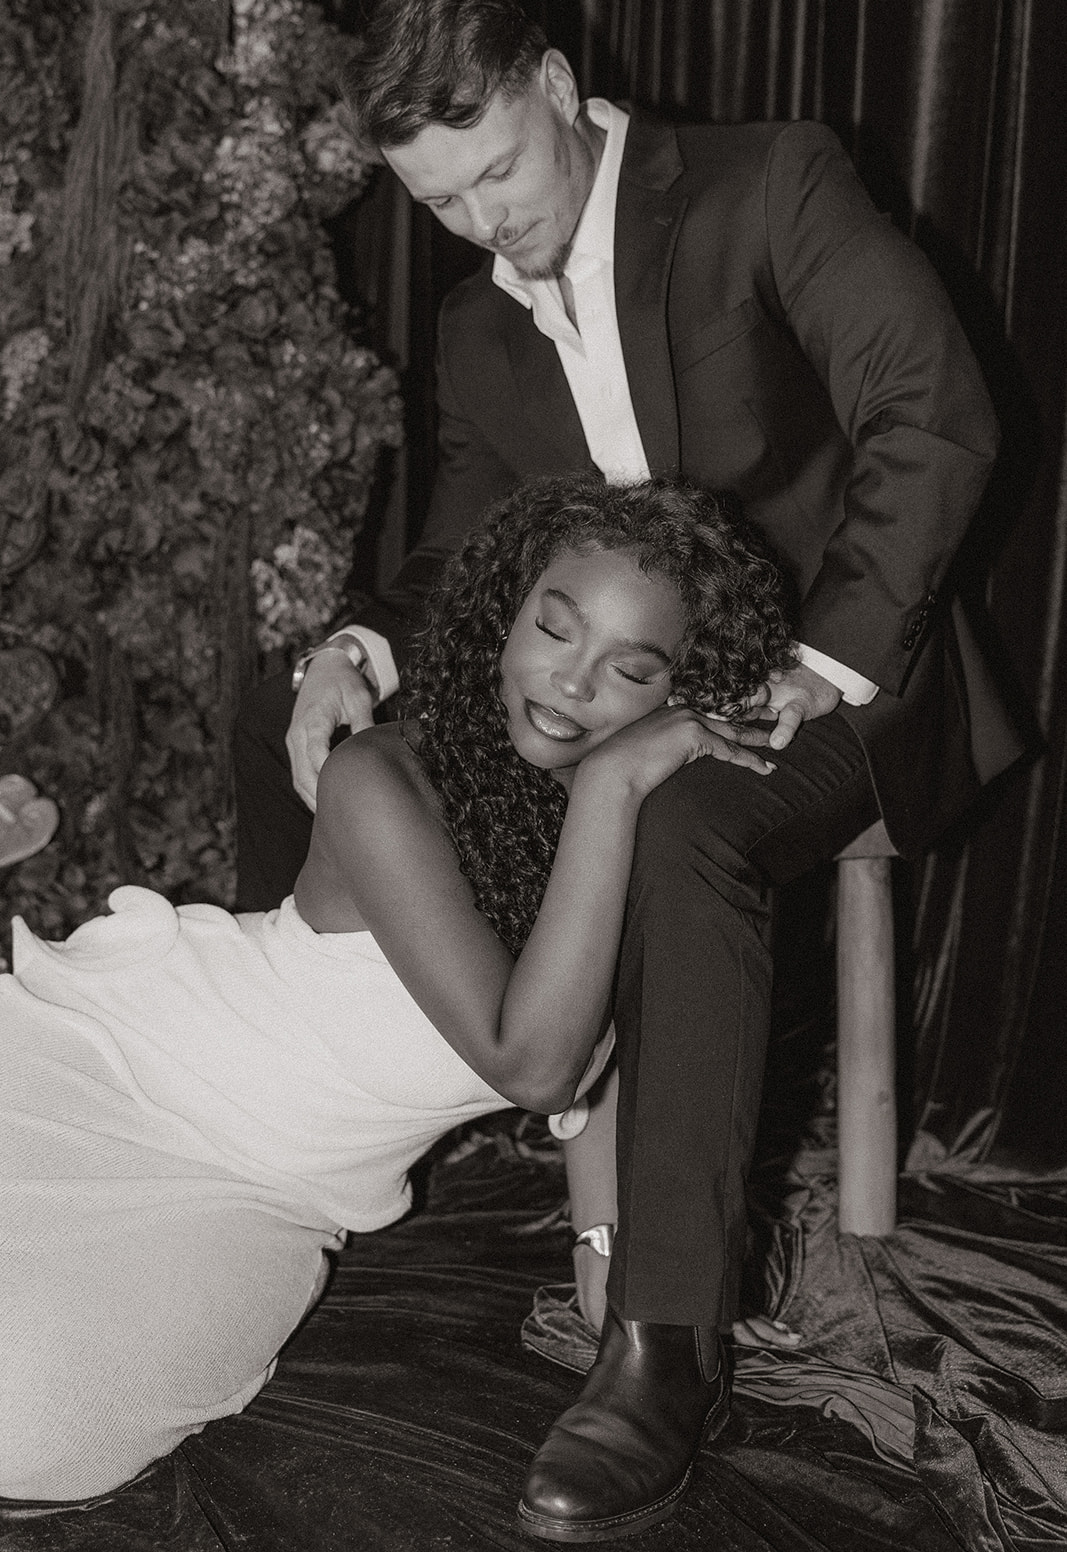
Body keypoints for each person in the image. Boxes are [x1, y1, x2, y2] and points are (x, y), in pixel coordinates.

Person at [232, 0, 1021, 1541]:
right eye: (439, 205)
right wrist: (354, 649)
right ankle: (325, 1126)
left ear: (550, 82)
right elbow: (460, 554)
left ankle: (659, 1343)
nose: (484, 226)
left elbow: (929, 413)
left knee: (678, 828)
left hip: (840, 677)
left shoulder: (763, 184)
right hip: (609, 689)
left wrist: (818, 661)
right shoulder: (475, 322)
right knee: (300, 715)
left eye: (499, 176)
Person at [0, 474, 792, 1504]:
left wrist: (605, 1246)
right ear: (504, 614)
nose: (570, 682)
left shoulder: (638, 832)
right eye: (552, 630)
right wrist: (611, 780)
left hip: (264, 1198)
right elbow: (537, 1064)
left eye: (627, 670)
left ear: (675, 694)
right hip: (112, 1065)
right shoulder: (382, 775)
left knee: (34, 1420)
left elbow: (599, 1054)